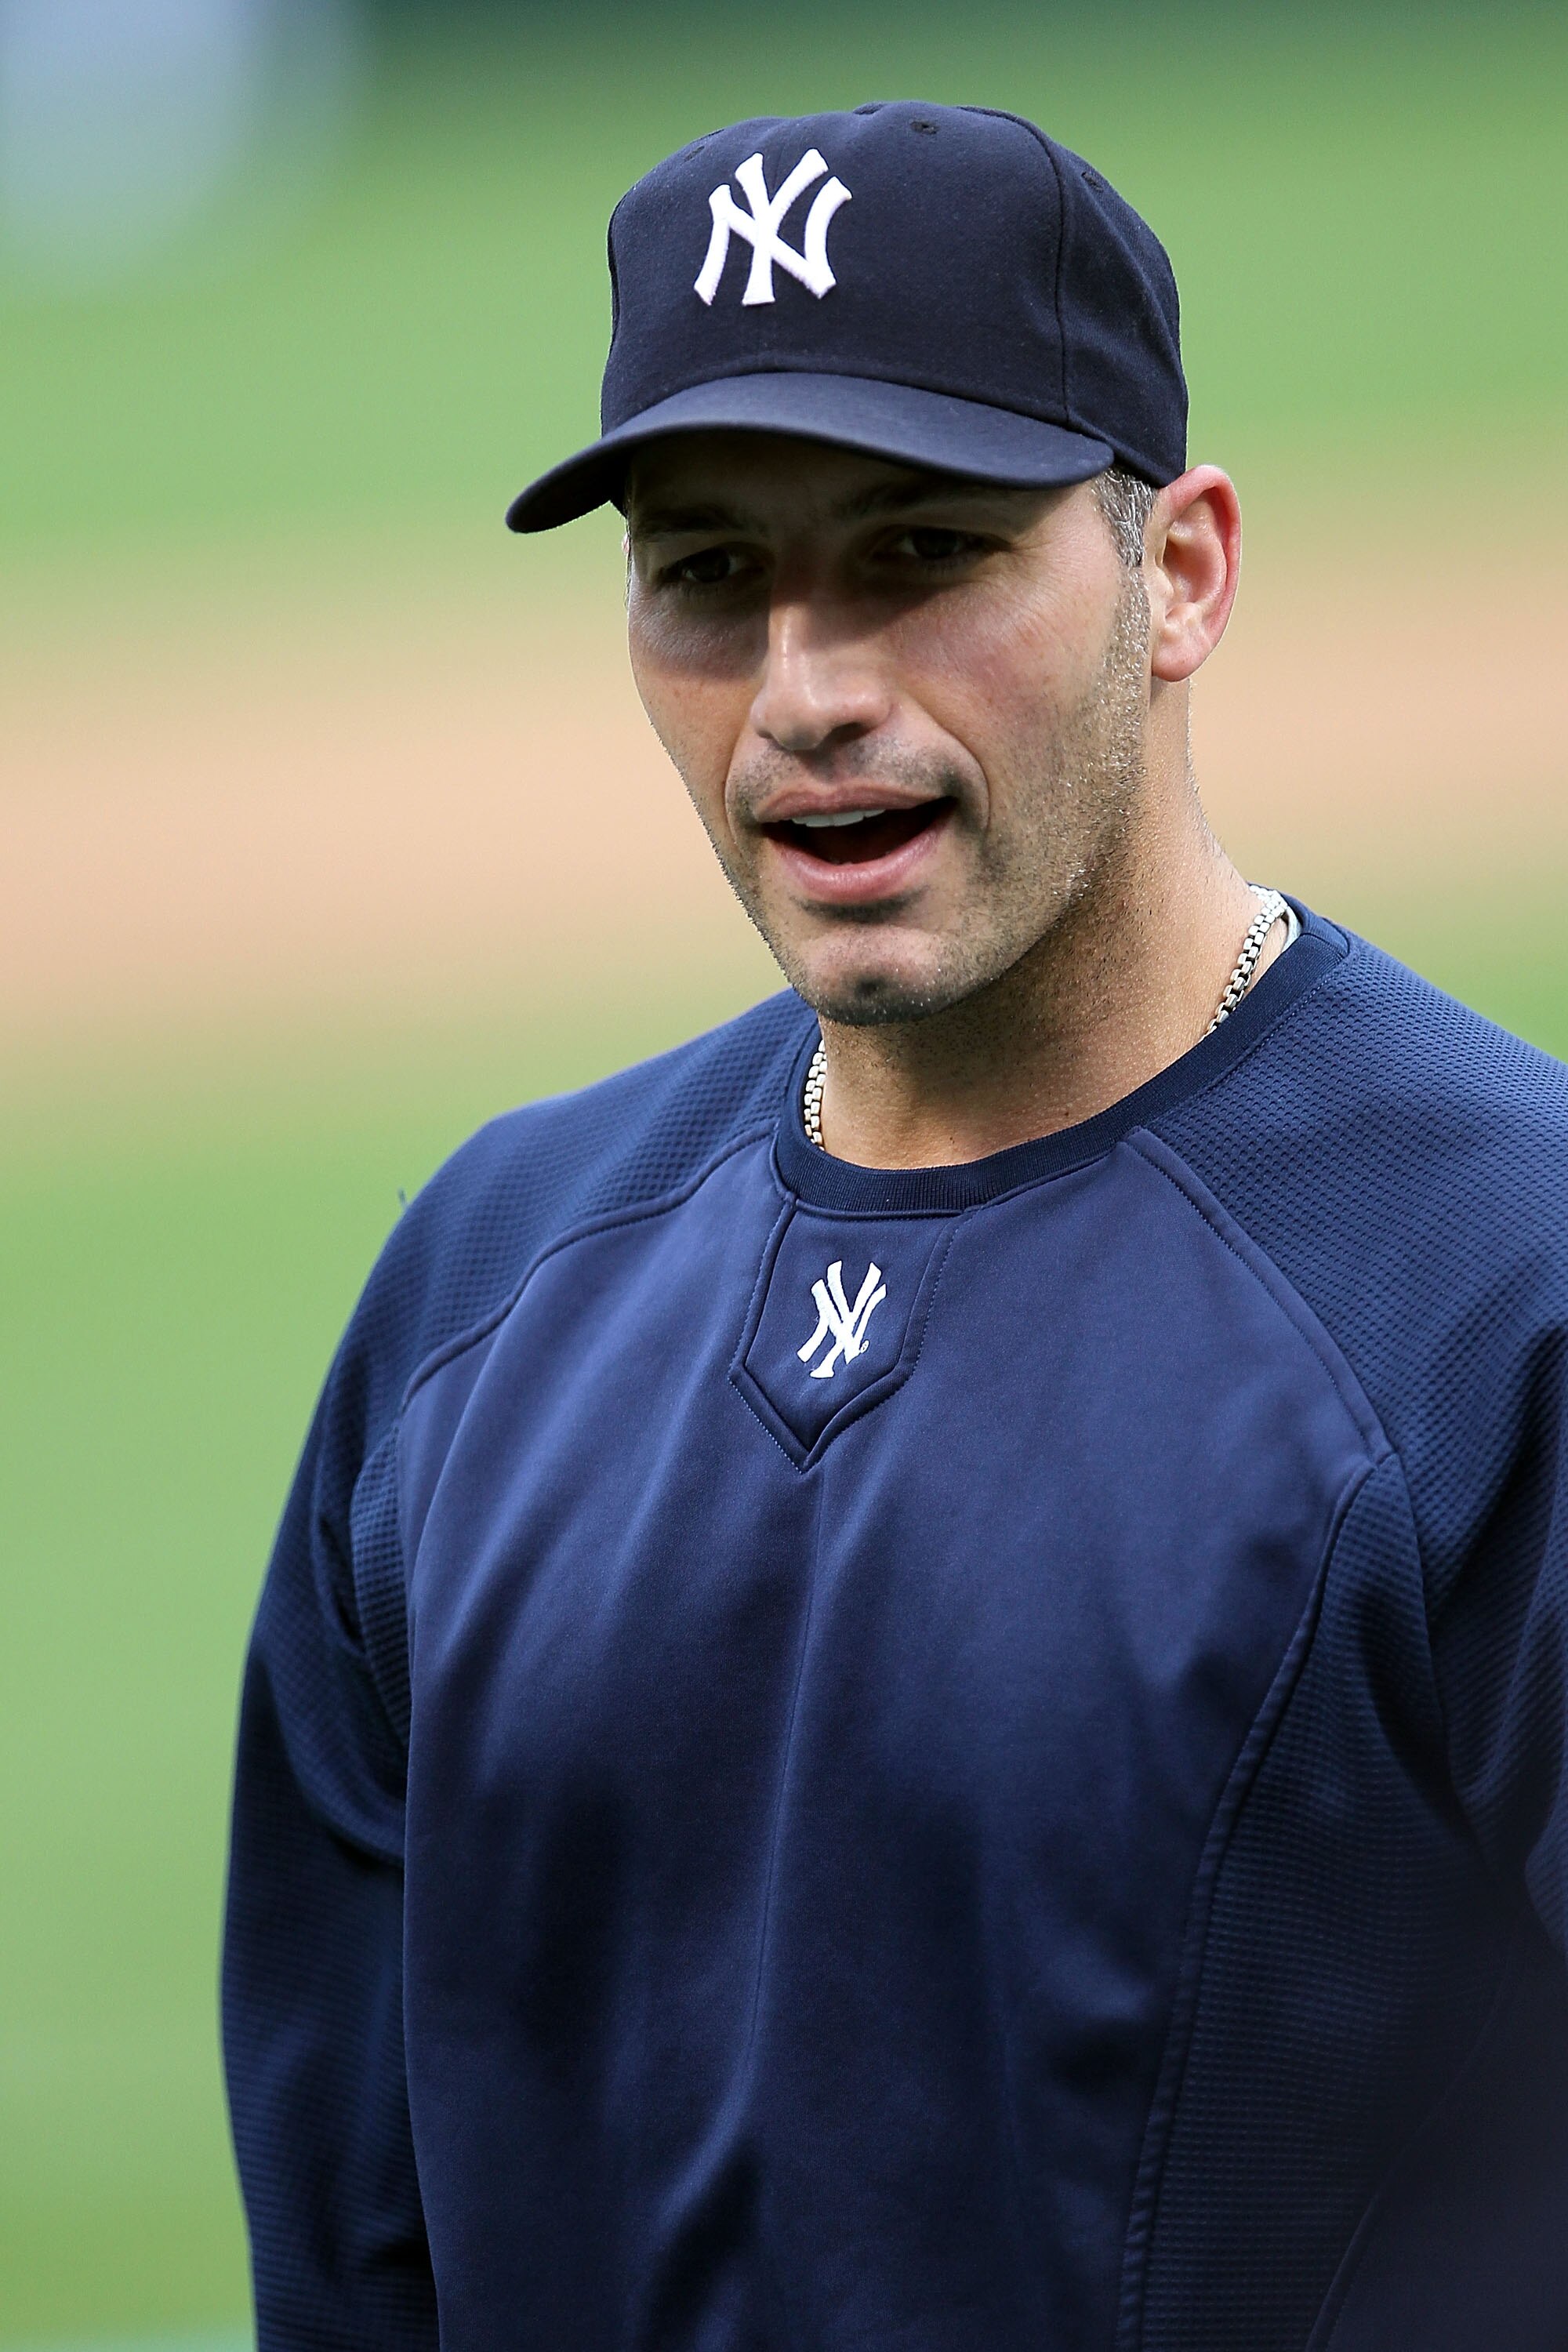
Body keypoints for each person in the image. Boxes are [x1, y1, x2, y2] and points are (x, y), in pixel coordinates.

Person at [223, 101, 1568, 2352]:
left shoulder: (1493, 1284)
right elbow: (359, 2251)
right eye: (709, 572)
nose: (808, 689)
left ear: (1184, 574)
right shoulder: (481, 1293)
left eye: (925, 552)